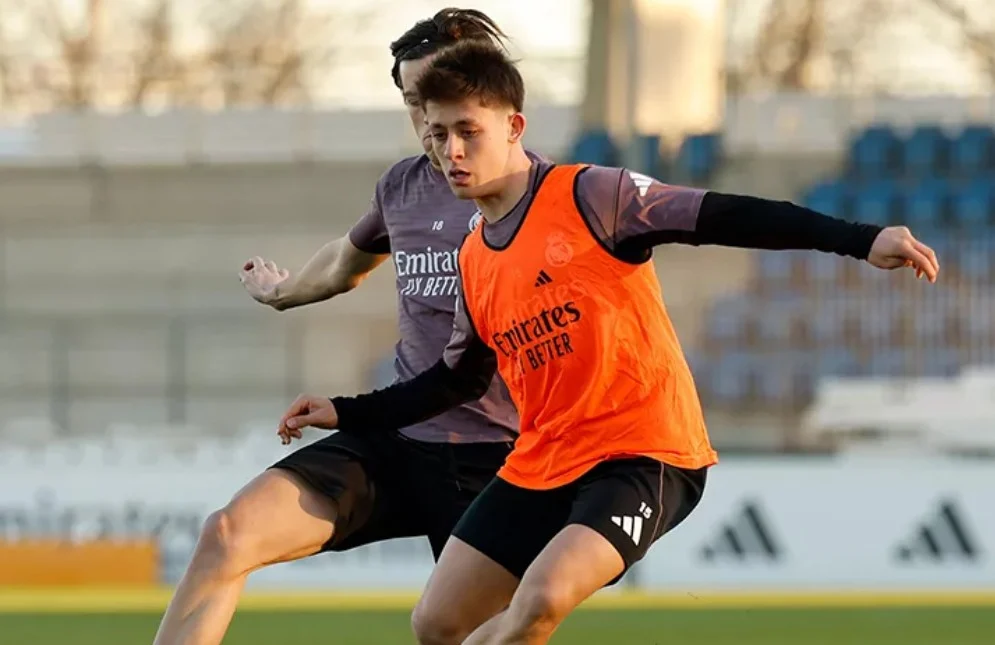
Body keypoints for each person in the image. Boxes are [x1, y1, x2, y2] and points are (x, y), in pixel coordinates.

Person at [276, 41, 941, 645]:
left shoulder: (593, 195)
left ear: (513, 127)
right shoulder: (474, 255)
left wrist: (859, 238)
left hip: (642, 453)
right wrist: (346, 411)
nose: (451, 151)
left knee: (538, 600)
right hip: (542, 460)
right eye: (438, 134)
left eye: (468, 132)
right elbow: (453, 380)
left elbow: (720, 215)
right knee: (438, 621)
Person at [152, 12, 530, 645]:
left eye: (434, 100)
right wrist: (282, 293)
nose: (426, 124)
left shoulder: (539, 194)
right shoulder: (403, 187)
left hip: (502, 460)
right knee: (226, 534)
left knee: (468, 633)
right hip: (399, 441)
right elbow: (344, 261)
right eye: (412, 103)